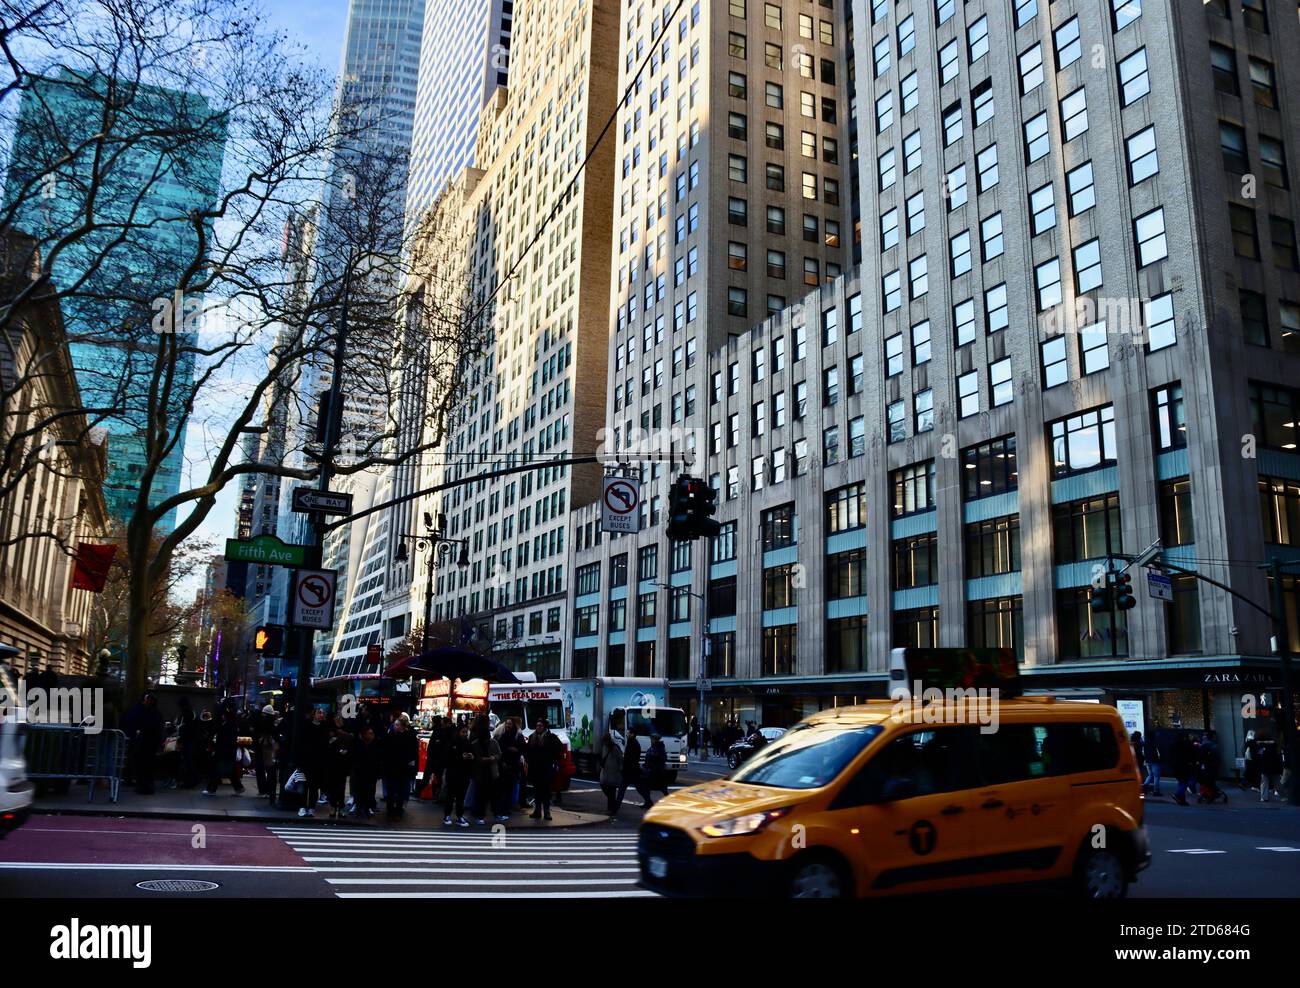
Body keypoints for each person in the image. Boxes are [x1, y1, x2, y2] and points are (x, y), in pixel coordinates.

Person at [123, 692, 163, 795]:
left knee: (142, 764)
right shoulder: (154, 712)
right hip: (146, 742)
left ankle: (142, 784)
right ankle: (144, 784)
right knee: (144, 765)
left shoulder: (140, 710)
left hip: (144, 741)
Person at [380, 715, 419, 821]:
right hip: (393, 768)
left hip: (402, 768)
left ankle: (397, 810)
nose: (395, 726)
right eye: (395, 725)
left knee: (399, 791)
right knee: (392, 790)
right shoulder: (391, 736)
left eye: (397, 725)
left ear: (402, 726)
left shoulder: (408, 737)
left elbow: (413, 754)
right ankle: (391, 810)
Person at [525, 718, 564, 820]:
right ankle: (537, 810)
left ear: (544, 727)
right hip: (535, 768)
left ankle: (547, 812)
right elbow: (528, 751)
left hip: (546, 768)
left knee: (546, 791)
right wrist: (529, 761)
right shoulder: (532, 737)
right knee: (537, 790)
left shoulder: (551, 738)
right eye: (537, 725)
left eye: (540, 726)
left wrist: (554, 762)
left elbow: (559, 750)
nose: (538, 727)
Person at [296, 707, 330, 817]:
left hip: (318, 761)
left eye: (322, 713)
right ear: (314, 714)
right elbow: (302, 744)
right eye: (319, 713)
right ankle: (302, 807)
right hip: (307, 760)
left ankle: (311, 807)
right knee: (305, 785)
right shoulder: (307, 726)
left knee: (314, 787)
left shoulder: (324, 727)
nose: (321, 715)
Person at [204, 705, 244, 795]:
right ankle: (238, 787)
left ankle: (212, 789)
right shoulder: (232, 724)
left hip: (224, 751)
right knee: (230, 771)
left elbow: (224, 738)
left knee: (216, 770)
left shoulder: (227, 725)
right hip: (228, 752)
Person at [469, 714, 501, 825]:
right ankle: (489, 813)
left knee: (480, 793)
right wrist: (491, 758)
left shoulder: (474, 738)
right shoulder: (489, 742)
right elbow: (498, 754)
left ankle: (479, 813)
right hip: (486, 769)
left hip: (481, 769)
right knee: (487, 793)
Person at [442, 721, 474, 826]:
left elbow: (472, 756)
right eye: (463, 732)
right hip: (453, 773)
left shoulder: (468, 743)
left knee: (461, 796)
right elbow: (447, 758)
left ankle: (459, 815)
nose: (465, 734)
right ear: (458, 732)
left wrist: (471, 757)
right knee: (451, 795)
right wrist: (461, 757)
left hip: (464, 773)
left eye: (466, 732)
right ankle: (447, 815)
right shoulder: (452, 743)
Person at [324, 713, 354, 819]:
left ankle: (336, 807)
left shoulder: (339, 734)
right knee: (337, 786)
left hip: (339, 764)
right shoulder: (336, 734)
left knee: (339, 786)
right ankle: (337, 807)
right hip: (337, 763)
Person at [495, 717, 524, 821]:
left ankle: (506, 808)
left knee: (509, 788)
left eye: (510, 724)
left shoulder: (517, 736)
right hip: (503, 765)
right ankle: (502, 809)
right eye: (506, 724)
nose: (507, 725)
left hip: (513, 765)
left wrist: (515, 750)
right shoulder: (502, 735)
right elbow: (499, 749)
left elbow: (522, 748)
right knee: (502, 789)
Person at [351, 725, 381, 817]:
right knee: (360, 790)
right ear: (364, 735)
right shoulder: (358, 745)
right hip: (360, 771)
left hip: (371, 772)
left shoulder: (375, 745)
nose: (372, 736)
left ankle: (366, 807)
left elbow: (378, 759)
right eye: (369, 733)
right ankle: (359, 807)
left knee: (369, 791)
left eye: (372, 733)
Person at [598, 729, 625, 820]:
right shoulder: (605, 747)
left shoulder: (615, 748)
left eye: (605, 741)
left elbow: (620, 760)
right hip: (606, 772)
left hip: (613, 773)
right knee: (607, 790)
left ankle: (612, 809)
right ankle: (612, 808)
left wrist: (620, 769)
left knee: (611, 791)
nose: (604, 743)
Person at [622, 726, 648, 808]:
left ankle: (614, 808)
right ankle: (649, 802)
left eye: (629, 733)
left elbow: (630, 758)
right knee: (639, 788)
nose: (627, 734)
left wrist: (625, 767)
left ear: (632, 734)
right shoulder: (632, 742)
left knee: (622, 789)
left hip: (630, 770)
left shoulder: (633, 744)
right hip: (632, 770)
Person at [643, 733, 671, 805]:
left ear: (656, 740)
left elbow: (663, 759)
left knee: (663, 789)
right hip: (651, 772)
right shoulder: (652, 748)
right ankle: (648, 802)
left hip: (657, 772)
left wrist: (653, 762)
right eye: (651, 739)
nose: (651, 740)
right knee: (646, 787)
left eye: (652, 739)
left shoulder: (660, 748)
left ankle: (670, 801)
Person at [1172, 732, 1196, 806]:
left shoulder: (1174, 745)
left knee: (1182, 782)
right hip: (1184, 766)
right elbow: (1191, 754)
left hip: (1176, 766)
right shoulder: (1186, 745)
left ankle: (1182, 799)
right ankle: (1179, 795)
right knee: (1185, 781)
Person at [1257, 738, 1282, 802]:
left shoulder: (1262, 749)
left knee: (1264, 783)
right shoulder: (1275, 750)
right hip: (1274, 769)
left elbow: (1260, 757)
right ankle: (1282, 795)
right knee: (1277, 782)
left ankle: (1264, 797)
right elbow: (1278, 759)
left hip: (1265, 768)